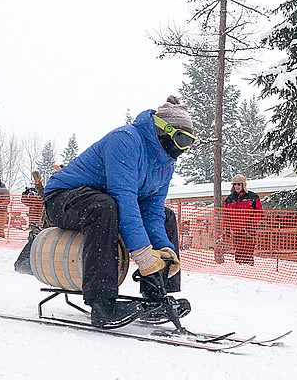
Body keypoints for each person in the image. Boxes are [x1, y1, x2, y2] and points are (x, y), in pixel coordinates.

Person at [41, 96, 192, 328]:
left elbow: (152, 210)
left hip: (104, 198)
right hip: (64, 198)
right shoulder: (126, 140)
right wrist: (142, 254)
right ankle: (102, 303)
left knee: (167, 215)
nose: (183, 149)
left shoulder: (165, 163)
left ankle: (157, 297)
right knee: (104, 207)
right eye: (181, 140)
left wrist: (163, 249)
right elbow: (124, 198)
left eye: (189, 143)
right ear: (165, 131)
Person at [224, 173, 263, 265]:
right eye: (235, 184)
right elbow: (226, 215)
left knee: (249, 247)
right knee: (239, 247)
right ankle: (239, 266)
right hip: (236, 229)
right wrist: (227, 228)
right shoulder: (229, 199)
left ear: (243, 185)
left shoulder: (253, 197)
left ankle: (249, 266)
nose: (236, 186)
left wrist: (251, 223)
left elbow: (259, 212)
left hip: (249, 228)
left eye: (239, 184)